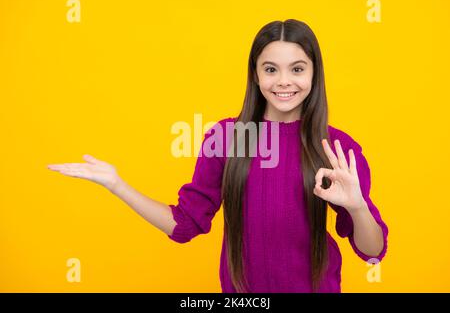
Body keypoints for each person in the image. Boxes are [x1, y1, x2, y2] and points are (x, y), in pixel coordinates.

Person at [47, 19, 388, 293]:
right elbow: (184, 224)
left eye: (297, 69)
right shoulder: (228, 138)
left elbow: (372, 252)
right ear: (256, 74)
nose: (284, 81)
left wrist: (357, 206)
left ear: (314, 74)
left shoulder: (336, 148)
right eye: (271, 69)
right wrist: (117, 184)